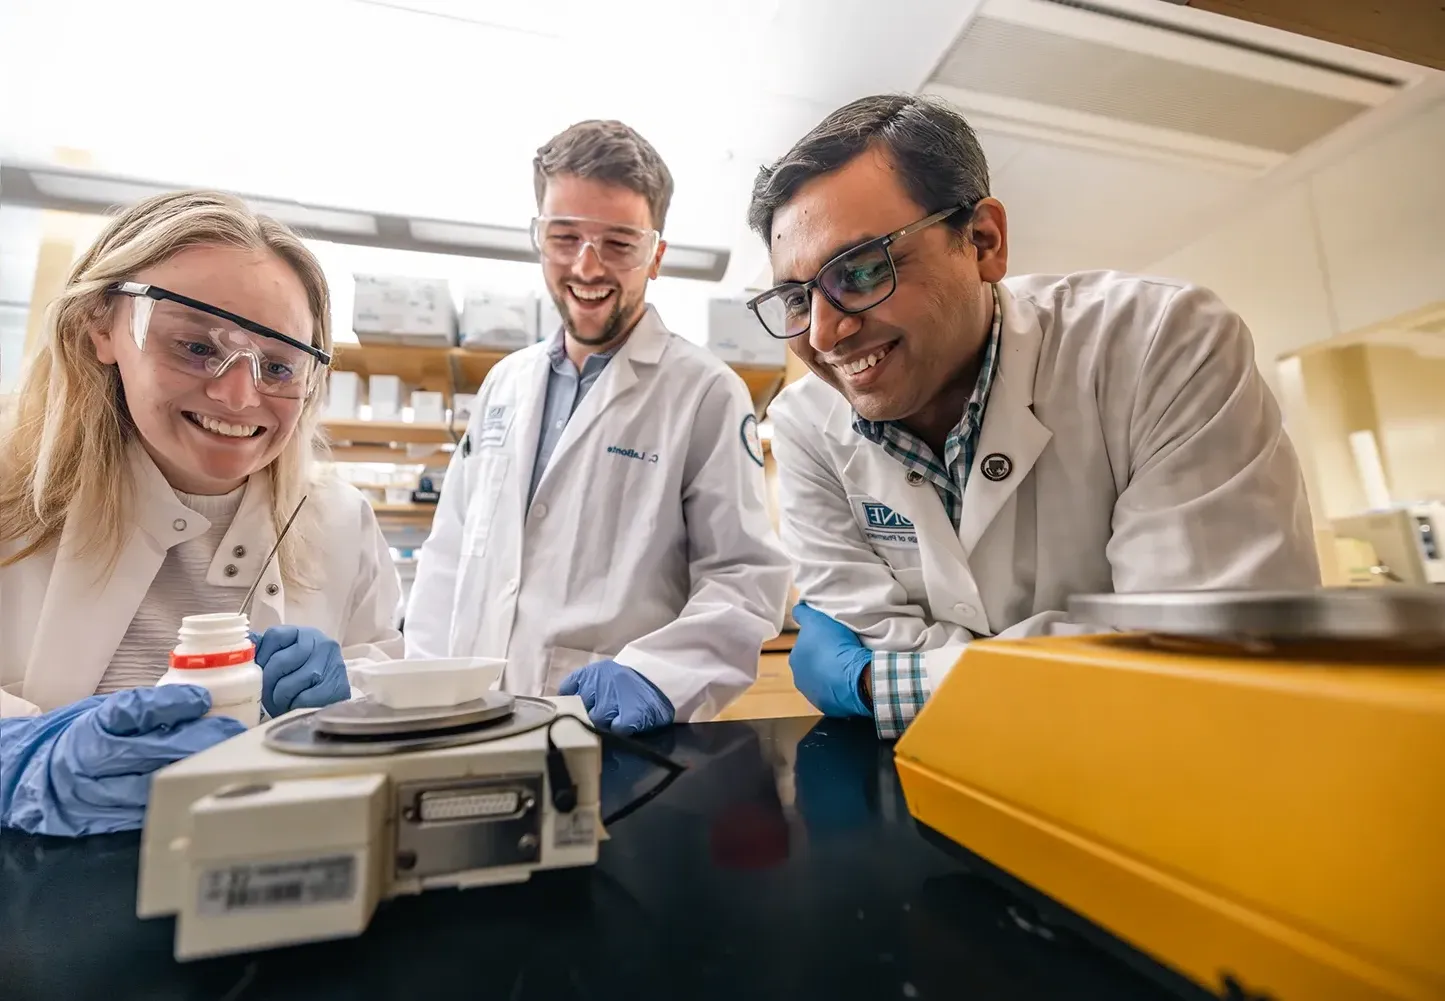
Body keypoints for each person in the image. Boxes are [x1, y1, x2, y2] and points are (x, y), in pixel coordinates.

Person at [749, 95, 1320, 739]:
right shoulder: (803, 421)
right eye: (796, 298)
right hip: (942, 787)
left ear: (984, 242)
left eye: (860, 270)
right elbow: (871, 627)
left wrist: (881, 683)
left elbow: (1200, 657)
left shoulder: (1160, 342)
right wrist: (1076, 658)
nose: (824, 334)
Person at [1, 191, 404, 835]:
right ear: (99, 328)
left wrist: (347, 703)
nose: (239, 396)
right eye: (194, 347)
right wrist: (19, 762)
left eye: (278, 365)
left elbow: (381, 677)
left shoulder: (335, 519)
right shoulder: (10, 494)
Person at [406, 119, 791, 734]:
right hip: (465, 717)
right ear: (539, 239)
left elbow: (743, 576)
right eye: (565, 237)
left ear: (656, 256)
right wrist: (421, 691)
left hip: (612, 727)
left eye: (619, 243)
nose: (587, 266)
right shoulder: (504, 384)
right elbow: (449, 554)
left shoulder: (705, 391)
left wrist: (661, 675)